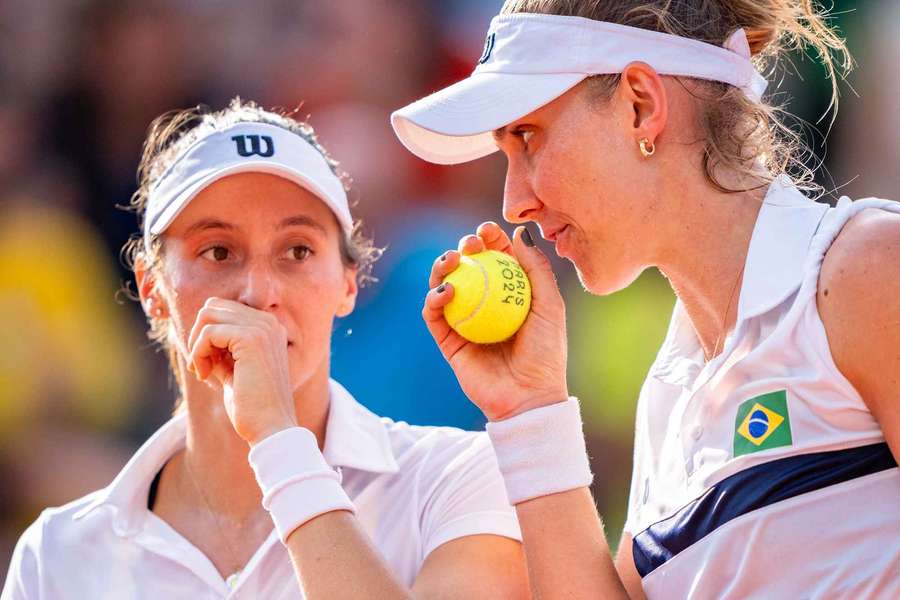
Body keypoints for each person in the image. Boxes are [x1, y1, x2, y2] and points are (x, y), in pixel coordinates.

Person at [391, 1, 900, 598]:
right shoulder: (668, 392)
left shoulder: (869, 268)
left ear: (641, 104)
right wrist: (530, 412)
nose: (513, 203)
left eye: (528, 137)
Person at [1, 100, 530, 599]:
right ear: (151, 289)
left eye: (297, 251)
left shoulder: (458, 478)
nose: (258, 294)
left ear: (349, 283)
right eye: (218, 251)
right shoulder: (55, 555)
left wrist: (278, 441)